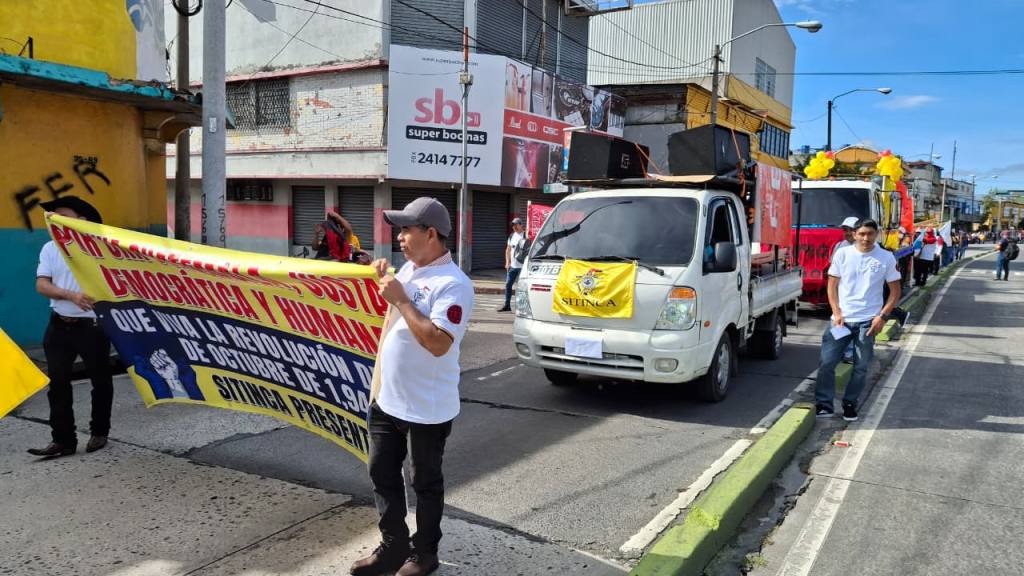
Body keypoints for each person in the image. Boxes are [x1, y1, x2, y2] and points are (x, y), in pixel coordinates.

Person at [351, 197, 474, 576]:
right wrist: (385, 278)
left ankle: (424, 553)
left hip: (428, 407)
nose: (399, 237)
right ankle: (393, 546)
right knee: (381, 474)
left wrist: (402, 299)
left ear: (431, 233)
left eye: (406, 229)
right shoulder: (409, 269)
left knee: (425, 482)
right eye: (399, 230)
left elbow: (437, 343)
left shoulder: (454, 285)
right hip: (388, 400)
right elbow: (395, 315)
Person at [28, 196, 113, 457]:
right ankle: (63, 440)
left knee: (100, 380)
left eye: (62, 214)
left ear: (81, 221)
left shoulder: (99, 247)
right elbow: (42, 285)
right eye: (52, 214)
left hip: (93, 326)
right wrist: (71, 295)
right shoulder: (49, 248)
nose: (54, 218)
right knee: (58, 384)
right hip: (59, 325)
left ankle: (99, 432)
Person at [815, 219, 902, 422]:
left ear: (877, 234)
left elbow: (895, 291)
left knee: (861, 367)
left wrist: (882, 316)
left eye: (870, 234)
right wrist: (836, 312)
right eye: (861, 233)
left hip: (868, 322)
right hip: (841, 321)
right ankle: (824, 404)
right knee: (827, 363)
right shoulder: (843, 254)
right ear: (854, 234)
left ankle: (850, 403)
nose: (865, 238)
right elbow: (832, 286)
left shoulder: (886, 258)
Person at [499, 217, 527, 312]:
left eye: (515, 225)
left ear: (520, 225)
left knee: (522, 287)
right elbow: (508, 249)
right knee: (508, 285)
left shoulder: (526, 235)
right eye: (512, 225)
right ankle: (507, 305)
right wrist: (507, 262)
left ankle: (522, 307)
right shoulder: (512, 236)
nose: (513, 227)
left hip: (523, 267)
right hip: (513, 266)